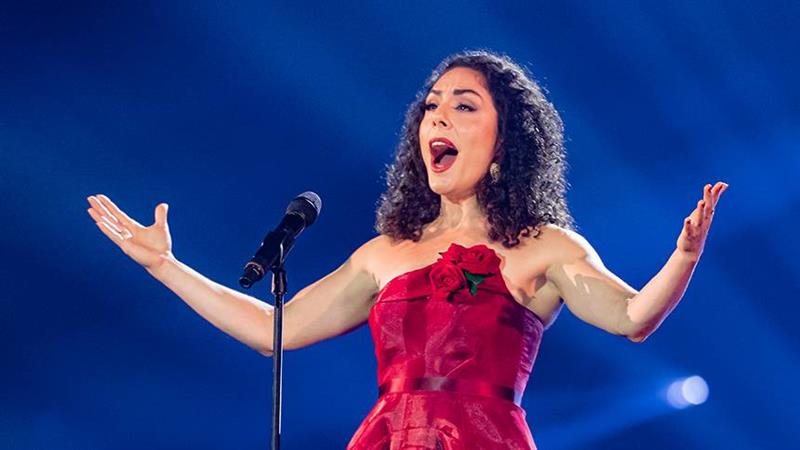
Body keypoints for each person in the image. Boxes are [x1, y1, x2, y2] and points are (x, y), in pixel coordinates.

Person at [86, 50, 728, 449]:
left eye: (464, 107)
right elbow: (270, 331)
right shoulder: (385, 254)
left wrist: (684, 256)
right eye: (431, 107)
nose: (438, 118)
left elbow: (632, 317)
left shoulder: (541, 247)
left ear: (505, 145)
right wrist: (165, 266)